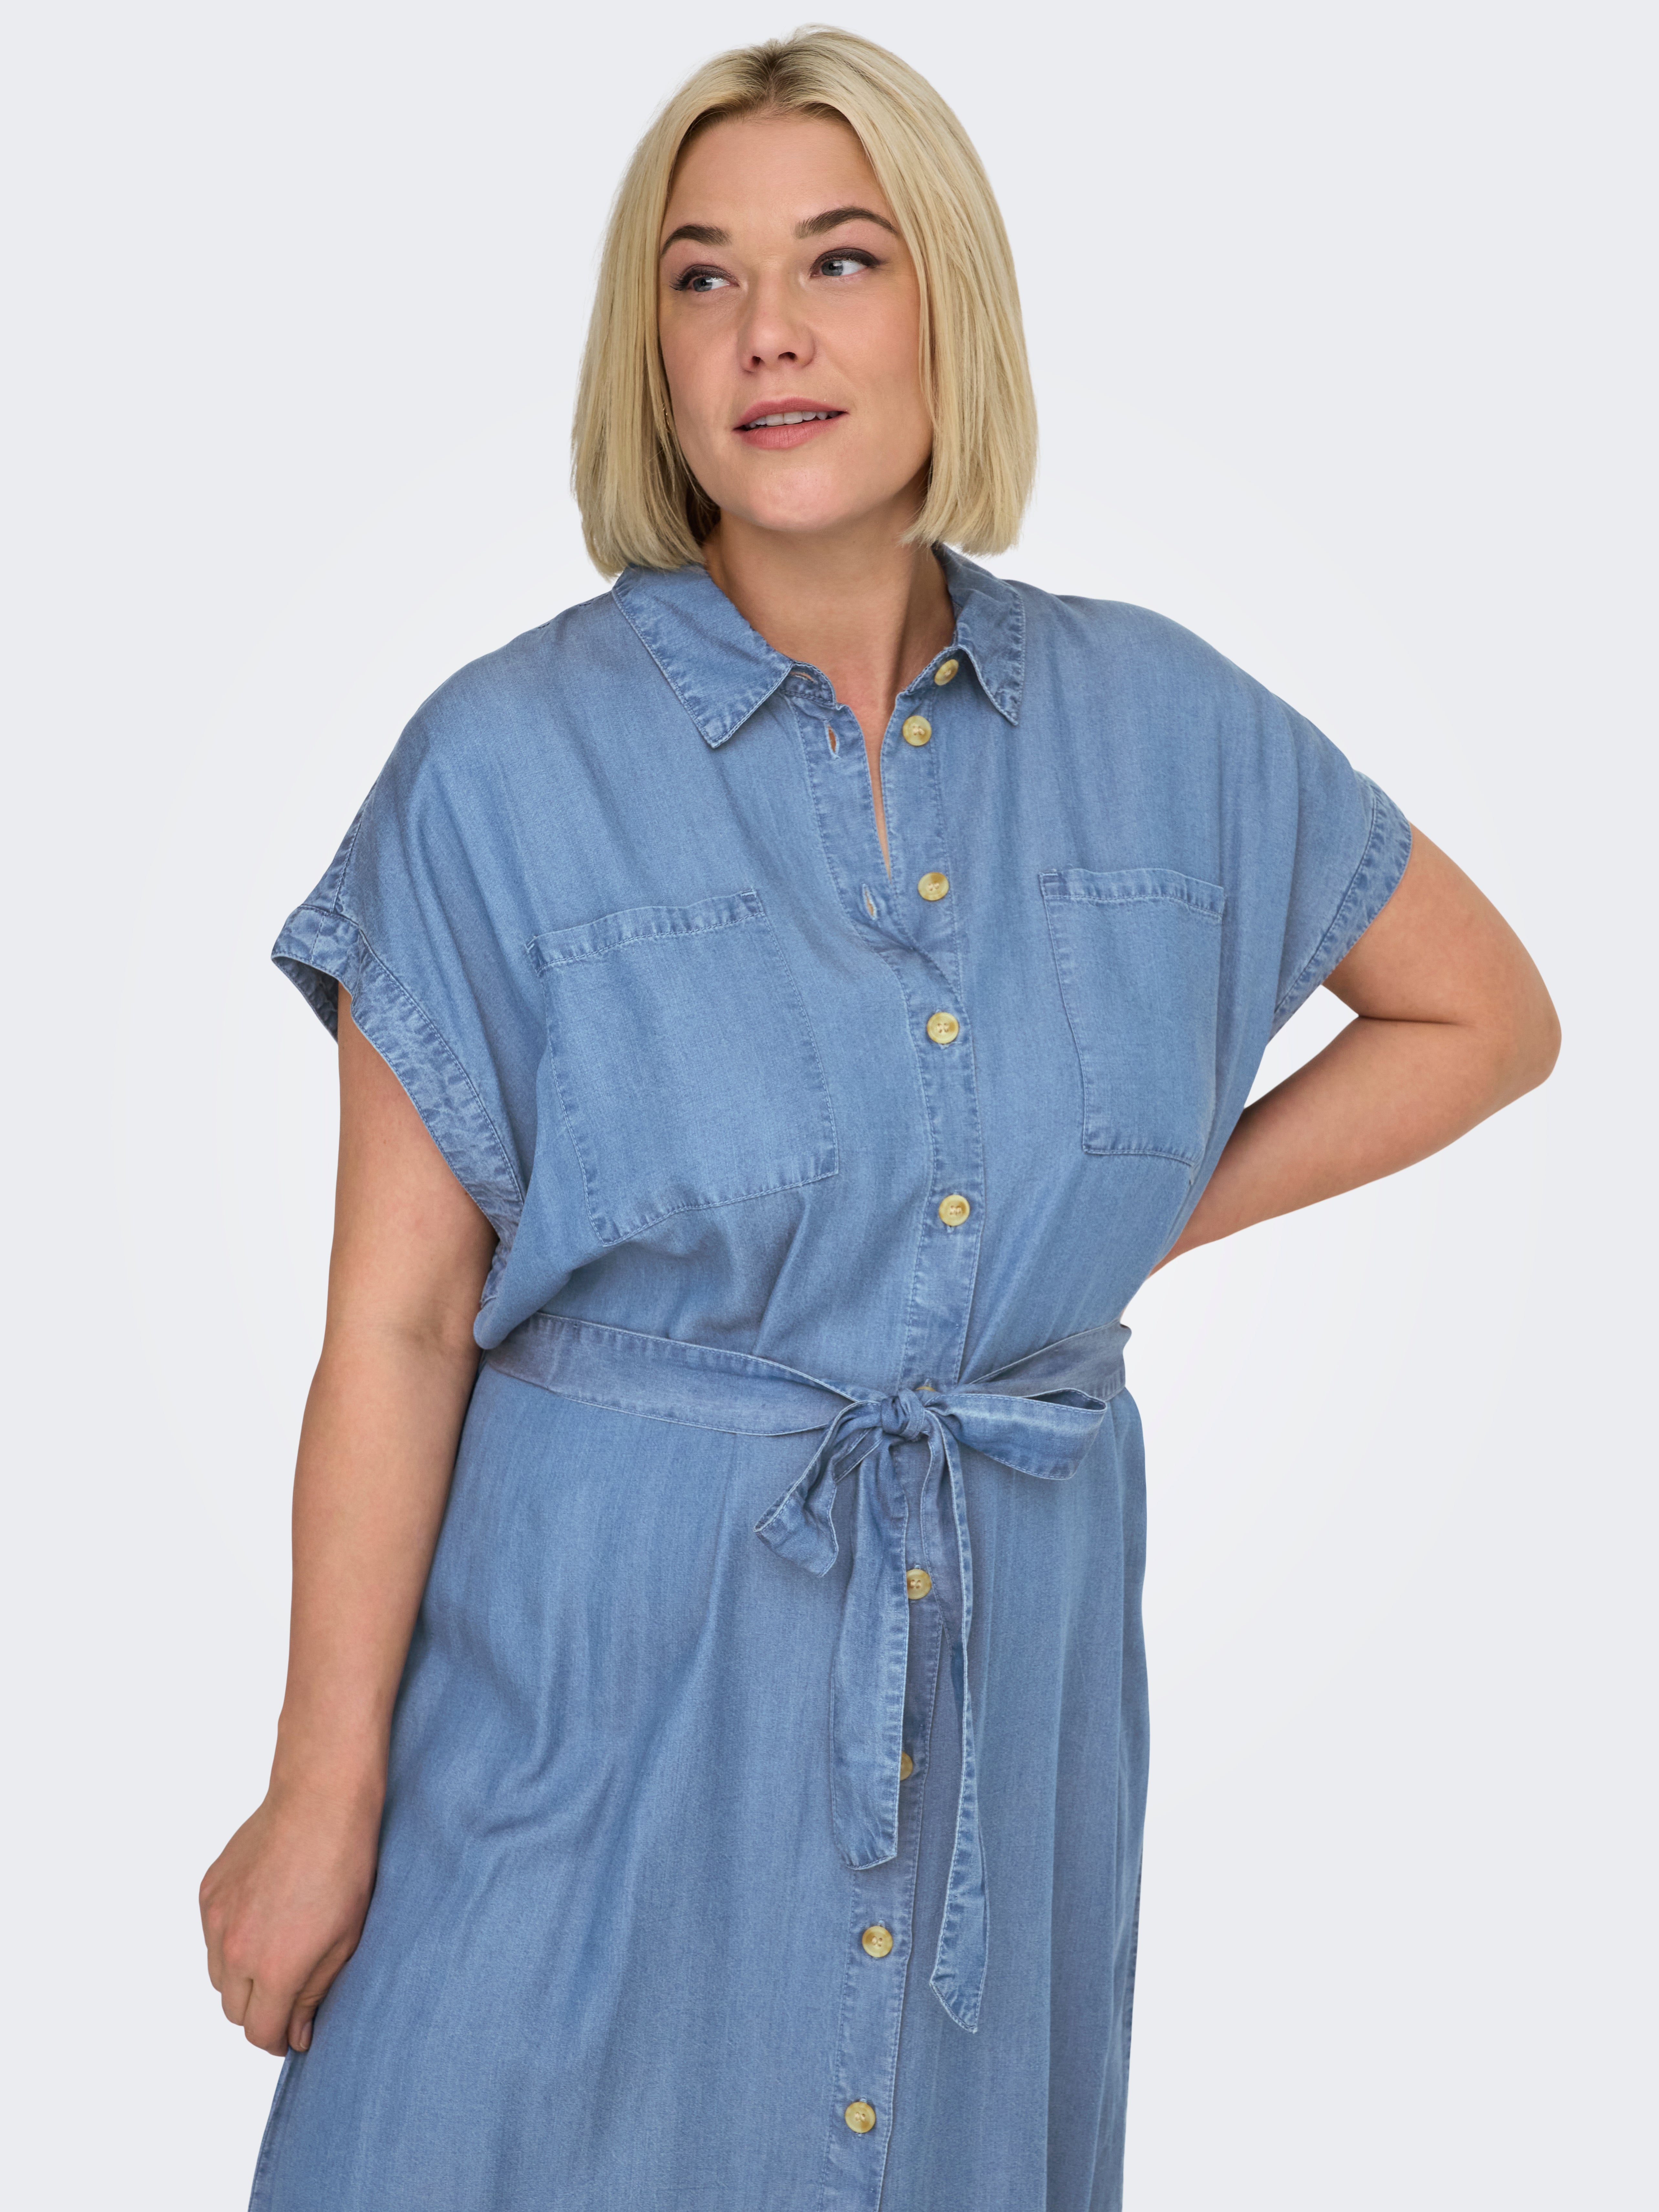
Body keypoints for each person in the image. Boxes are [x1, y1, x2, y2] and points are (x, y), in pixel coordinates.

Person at [200, 27, 1559, 2212]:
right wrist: (320, 1793)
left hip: (999, 1674)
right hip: (594, 1691)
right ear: (650, 352)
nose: (771, 332)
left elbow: (1485, 1015)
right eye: (703, 277)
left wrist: (1105, 1224)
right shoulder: (499, 765)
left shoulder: (1167, 724)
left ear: (952, 305)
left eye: (840, 260)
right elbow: (398, 1322)